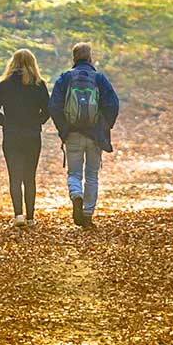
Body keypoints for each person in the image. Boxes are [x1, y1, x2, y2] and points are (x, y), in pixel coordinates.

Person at [48, 42, 120, 228]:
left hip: (72, 134)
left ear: (74, 58)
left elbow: (54, 106)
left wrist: (64, 128)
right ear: (90, 58)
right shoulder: (99, 78)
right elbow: (113, 105)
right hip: (95, 136)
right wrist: (103, 127)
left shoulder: (65, 78)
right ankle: (87, 215)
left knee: (74, 173)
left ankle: (76, 194)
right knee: (92, 175)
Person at [0, 49, 49, 227]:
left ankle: (18, 215)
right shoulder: (39, 84)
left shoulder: (4, 84)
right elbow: (48, 109)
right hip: (32, 135)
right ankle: (30, 217)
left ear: (12, 63)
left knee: (15, 176)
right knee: (30, 177)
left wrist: (5, 123)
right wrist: (38, 122)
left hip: (12, 135)